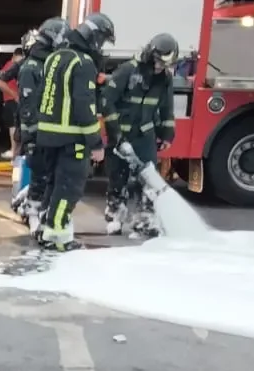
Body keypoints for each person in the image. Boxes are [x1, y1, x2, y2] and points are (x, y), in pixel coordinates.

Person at [32, 12, 115, 250]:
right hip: (72, 138)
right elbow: (84, 105)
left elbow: (41, 97)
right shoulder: (83, 63)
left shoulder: (54, 58)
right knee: (68, 187)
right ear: (95, 37)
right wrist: (96, 143)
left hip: (48, 135)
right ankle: (57, 238)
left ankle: (45, 229)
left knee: (54, 184)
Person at [102, 33, 179, 236]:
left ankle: (144, 220)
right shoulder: (128, 70)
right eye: (158, 63)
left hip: (145, 136)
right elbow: (107, 100)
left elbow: (166, 108)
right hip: (120, 135)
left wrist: (167, 134)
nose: (160, 68)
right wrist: (114, 133)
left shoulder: (165, 79)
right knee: (117, 177)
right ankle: (115, 216)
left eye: (165, 65)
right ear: (150, 55)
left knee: (148, 179)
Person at [16, 17, 70, 228]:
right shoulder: (31, 67)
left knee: (48, 176)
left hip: (48, 132)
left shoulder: (49, 63)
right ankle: (32, 213)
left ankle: (26, 203)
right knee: (39, 175)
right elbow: (27, 107)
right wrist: (31, 136)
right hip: (37, 133)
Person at [0, 40, 28, 157]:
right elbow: (0, 80)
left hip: (13, 99)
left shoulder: (13, 65)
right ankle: (14, 150)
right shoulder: (16, 65)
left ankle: (14, 150)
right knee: (14, 125)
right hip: (13, 98)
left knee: (14, 126)